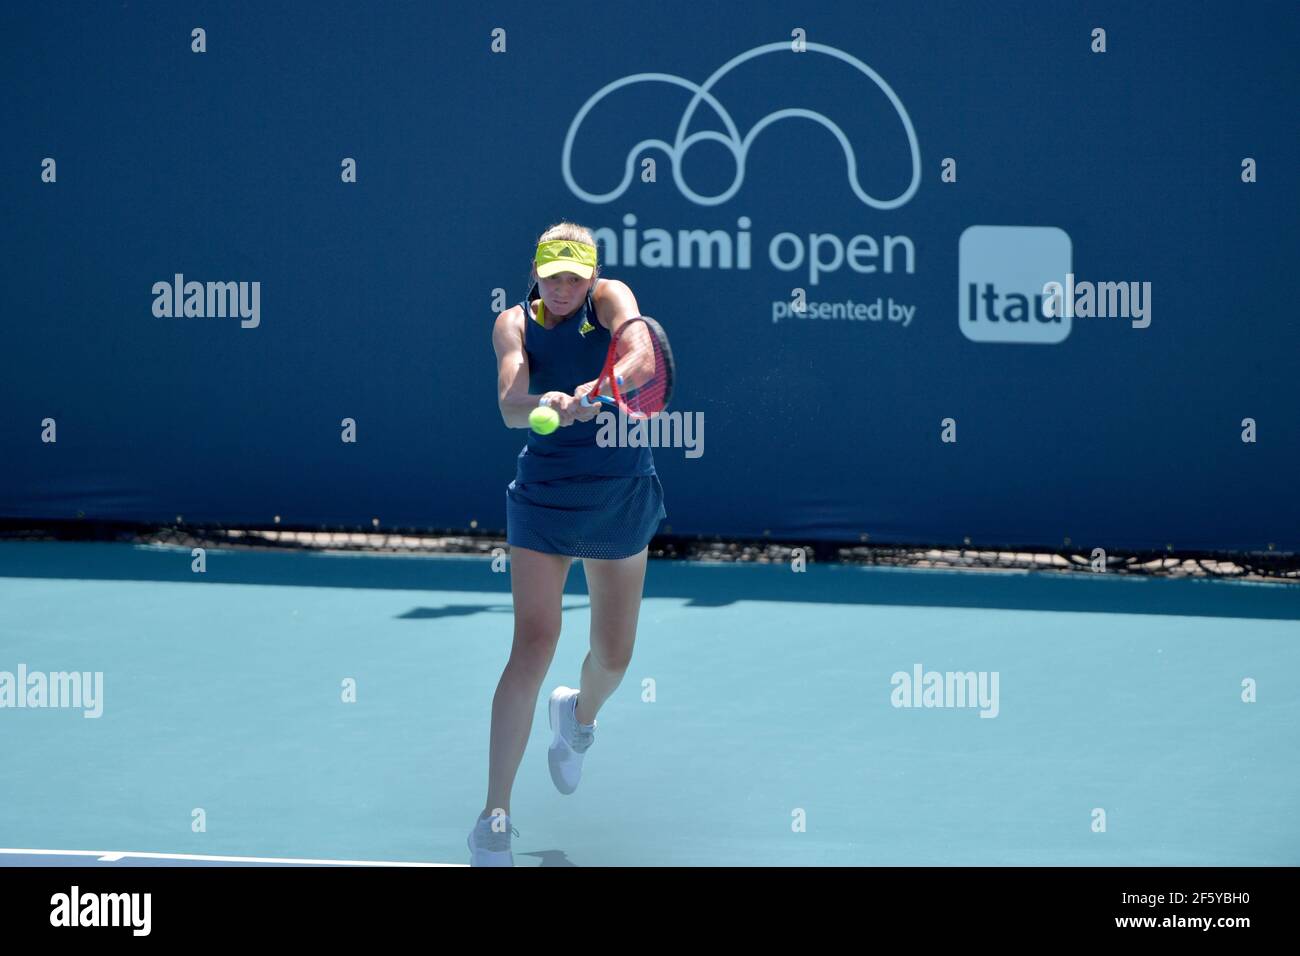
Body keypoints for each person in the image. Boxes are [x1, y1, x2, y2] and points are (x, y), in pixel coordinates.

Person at [467, 222, 667, 866]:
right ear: (535, 272)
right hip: (545, 496)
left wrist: (600, 391)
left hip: (618, 490)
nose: (562, 287)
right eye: (551, 275)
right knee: (533, 643)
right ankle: (493, 817)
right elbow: (509, 405)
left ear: (591, 277)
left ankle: (576, 720)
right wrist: (549, 401)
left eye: (574, 277)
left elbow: (641, 354)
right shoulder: (513, 324)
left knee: (612, 658)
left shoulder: (611, 298)